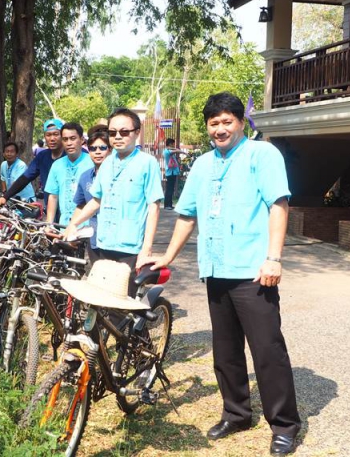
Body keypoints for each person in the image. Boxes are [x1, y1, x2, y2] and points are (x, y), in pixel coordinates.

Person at [141, 92, 300, 455]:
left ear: (241, 122)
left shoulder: (262, 155)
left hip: (253, 271)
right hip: (215, 269)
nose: (220, 129)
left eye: (227, 121)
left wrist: (273, 258)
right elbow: (187, 216)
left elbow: (279, 205)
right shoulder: (202, 164)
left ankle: (284, 425)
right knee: (225, 351)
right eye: (214, 123)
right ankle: (237, 413)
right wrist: (167, 256)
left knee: (267, 350)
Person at [63, 107, 164, 292]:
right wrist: (73, 224)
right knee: (100, 298)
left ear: (137, 133)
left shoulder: (147, 163)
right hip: (104, 243)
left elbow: (154, 208)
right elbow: (96, 201)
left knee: (123, 301)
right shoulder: (107, 162)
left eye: (124, 132)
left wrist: (146, 249)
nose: (118, 137)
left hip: (131, 248)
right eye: (112, 132)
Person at [0, 118, 64, 213]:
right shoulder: (42, 157)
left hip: (70, 207)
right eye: (48, 135)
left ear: (62, 135)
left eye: (56, 134)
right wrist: (5, 197)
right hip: (51, 207)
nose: (52, 138)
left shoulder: (71, 156)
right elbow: (25, 178)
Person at [71, 124, 111, 264]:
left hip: (116, 240)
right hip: (94, 238)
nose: (97, 152)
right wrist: (72, 227)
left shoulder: (120, 176)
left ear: (110, 150)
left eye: (102, 148)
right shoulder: (85, 177)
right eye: (93, 148)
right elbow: (81, 205)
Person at [44, 122, 94, 225]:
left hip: (89, 225)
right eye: (65, 139)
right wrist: (49, 224)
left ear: (82, 140)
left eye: (73, 138)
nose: (69, 143)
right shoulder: (57, 165)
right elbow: (53, 197)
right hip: (64, 225)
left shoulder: (93, 162)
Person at [162, 137, 185, 210]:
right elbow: (177, 150)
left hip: (172, 172)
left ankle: (169, 204)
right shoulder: (166, 151)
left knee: (171, 189)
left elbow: (176, 150)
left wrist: (173, 148)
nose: (174, 145)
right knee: (169, 189)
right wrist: (182, 152)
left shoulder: (169, 150)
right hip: (170, 173)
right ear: (170, 144)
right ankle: (167, 205)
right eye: (173, 144)